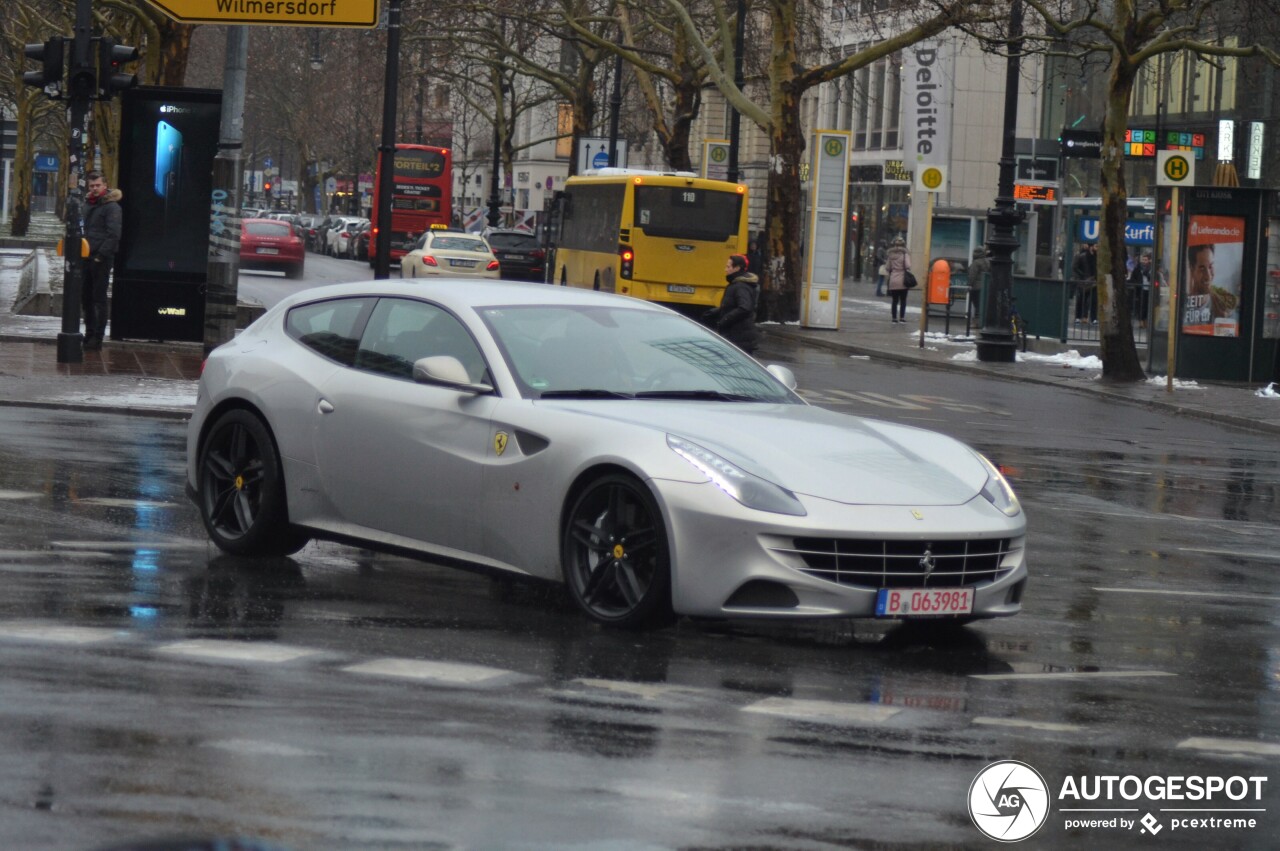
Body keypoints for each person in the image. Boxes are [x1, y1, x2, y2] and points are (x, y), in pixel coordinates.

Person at [81, 171, 122, 351]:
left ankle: (97, 337)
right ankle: (89, 333)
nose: (95, 189)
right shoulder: (87, 204)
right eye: (92, 186)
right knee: (86, 297)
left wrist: (100, 256)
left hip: (100, 258)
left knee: (98, 298)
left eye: (98, 185)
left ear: (105, 186)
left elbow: (113, 235)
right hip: (85, 256)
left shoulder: (112, 207)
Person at [704, 253, 760, 354]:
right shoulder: (736, 284)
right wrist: (717, 311)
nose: (725, 269)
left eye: (728, 267)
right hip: (737, 336)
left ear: (737, 268)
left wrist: (725, 319)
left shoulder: (740, 286)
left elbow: (744, 308)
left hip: (739, 338)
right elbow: (733, 305)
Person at [885, 236, 912, 324]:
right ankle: (902, 317)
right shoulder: (905, 254)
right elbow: (908, 266)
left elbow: (887, 267)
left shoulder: (890, 255)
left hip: (893, 279)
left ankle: (894, 318)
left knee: (894, 300)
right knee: (903, 300)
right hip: (903, 280)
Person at [1072, 242, 1097, 324]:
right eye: (1096, 246)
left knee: (1093, 300)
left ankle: (1092, 318)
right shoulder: (1081, 256)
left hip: (1093, 282)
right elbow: (1075, 268)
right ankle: (1080, 317)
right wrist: (1080, 278)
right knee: (1081, 299)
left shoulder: (1096, 257)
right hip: (1084, 282)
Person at [1129, 252, 1153, 328]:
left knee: (1147, 306)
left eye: (1146, 260)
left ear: (1149, 260)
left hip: (1149, 289)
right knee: (1141, 306)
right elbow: (1133, 278)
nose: (1144, 261)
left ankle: (1145, 321)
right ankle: (1141, 322)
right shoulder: (1138, 268)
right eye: (1143, 259)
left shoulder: (1151, 268)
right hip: (1141, 289)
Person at [967, 246, 991, 323]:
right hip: (985, 287)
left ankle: (977, 322)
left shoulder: (976, 263)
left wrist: (969, 285)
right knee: (982, 306)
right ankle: (982, 321)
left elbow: (972, 275)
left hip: (976, 288)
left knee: (977, 305)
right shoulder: (988, 261)